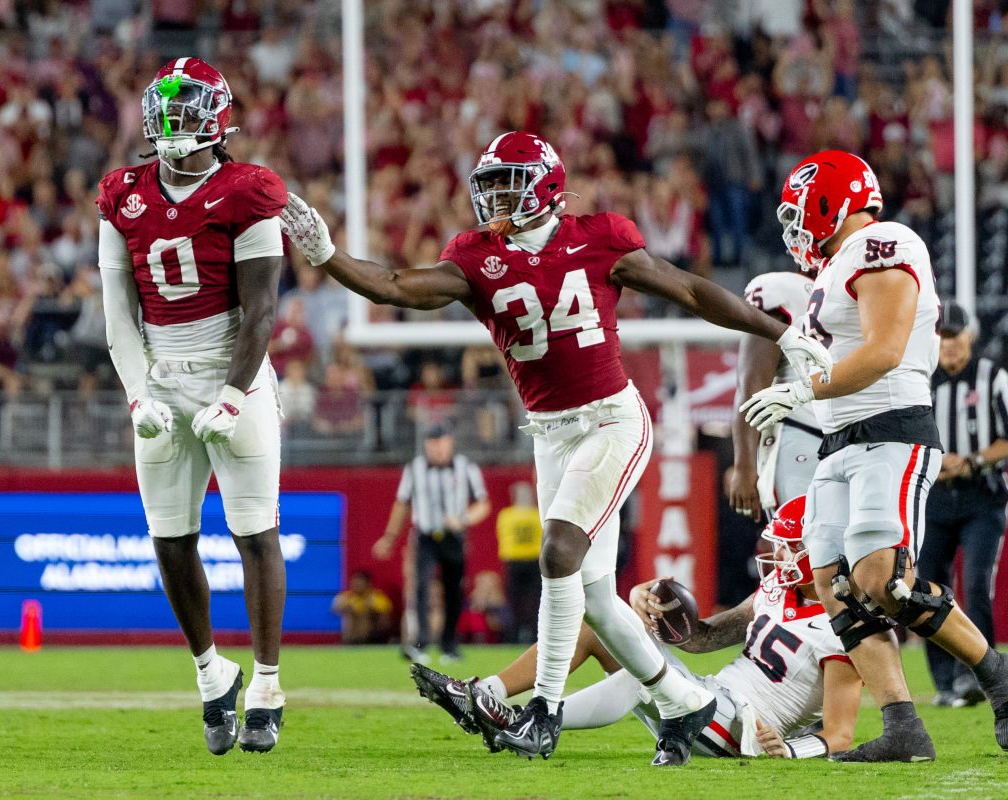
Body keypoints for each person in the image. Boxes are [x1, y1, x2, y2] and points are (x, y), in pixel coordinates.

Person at [281, 130, 833, 766]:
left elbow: (690, 290)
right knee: (594, 594)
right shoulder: (477, 256)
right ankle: (687, 706)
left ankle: (541, 712)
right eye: (488, 186)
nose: (494, 199)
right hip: (550, 434)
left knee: (559, 549)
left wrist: (779, 334)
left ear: (545, 186)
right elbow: (396, 286)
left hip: (610, 420)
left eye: (507, 184)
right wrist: (326, 253)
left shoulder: (600, 237)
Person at [741, 150, 1008, 762]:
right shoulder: (832, 268)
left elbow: (885, 350)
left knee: (882, 580)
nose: (795, 226)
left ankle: (996, 670)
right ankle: (903, 726)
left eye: (802, 210)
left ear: (831, 201)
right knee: (837, 588)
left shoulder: (886, 242)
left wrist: (801, 389)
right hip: (838, 440)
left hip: (891, 430)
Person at [97, 58, 289, 755]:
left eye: (188, 108)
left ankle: (268, 682)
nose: (173, 122)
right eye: (165, 109)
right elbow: (118, 310)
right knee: (169, 537)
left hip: (232, 366)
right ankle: (212, 674)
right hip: (160, 370)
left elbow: (262, 312)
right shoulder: (122, 192)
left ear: (219, 116)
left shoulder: (247, 189)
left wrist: (235, 396)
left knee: (253, 531)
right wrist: (137, 392)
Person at [411, 497, 864, 760]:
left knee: (643, 674)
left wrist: (787, 749)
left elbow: (840, 733)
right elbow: (701, 638)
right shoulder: (772, 592)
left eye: (792, 547)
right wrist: (642, 607)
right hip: (708, 699)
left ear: (824, 549)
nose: (780, 556)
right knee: (597, 625)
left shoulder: (844, 625)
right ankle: (485, 695)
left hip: (741, 728)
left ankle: (540, 720)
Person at [921, 301, 1008, 706]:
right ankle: (945, 681)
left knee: (977, 584)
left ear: (970, 336)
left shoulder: (991, 377)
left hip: (983, 497)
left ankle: (978, 675)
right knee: (927, 588)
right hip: (933, 497)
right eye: (942, 336)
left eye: (954, 335)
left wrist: (971, 460)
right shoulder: (922, 381)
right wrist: (935, 462)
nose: (948, 345)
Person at [372, 424, 491, 663]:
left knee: (453, 590)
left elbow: (483, 504)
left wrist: (463, 519)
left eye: (441, 443)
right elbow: (402, 503)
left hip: (453, 537)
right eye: (433, 444)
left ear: (450, 443)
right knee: (421, 588)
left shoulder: (466, 467)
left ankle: (450, 645)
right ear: (426, 445)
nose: (437, 450)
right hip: (425, 536)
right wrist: (389, 537)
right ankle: (421, 643)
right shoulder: (414, 468)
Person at [727, 268, 821, 521]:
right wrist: (744, 467)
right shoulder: (787, 290)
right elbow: (752, 386)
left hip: (848, 442)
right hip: (801, 433)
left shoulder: (860, 290)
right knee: (797, 551)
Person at [495, 481, 543, 643]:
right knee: (530, 600)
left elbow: (502, 536)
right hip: (528, 560)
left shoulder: (506, 515)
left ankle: (518, 634)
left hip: (519, 560)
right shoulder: (537, 515)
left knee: (522, 601)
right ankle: (528, 633)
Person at [332, 571, 394, 645]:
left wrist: (371, 611)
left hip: (372, 638)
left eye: (360, 583)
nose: (357, 585)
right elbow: (334, 610)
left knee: (365, 615)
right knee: (351, 615)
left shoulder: (377, 598)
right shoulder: (345, 597)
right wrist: (346, 609)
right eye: (355, 583)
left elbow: (386, 621)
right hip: (350, 638)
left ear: (368, 584)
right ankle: (351, 641)